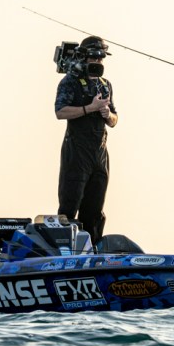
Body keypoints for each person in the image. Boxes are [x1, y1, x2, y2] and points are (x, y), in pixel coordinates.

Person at [55, 35, 118, 243]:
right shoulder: (70, 82)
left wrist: (107, 114)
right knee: (70, 204)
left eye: (101, 59)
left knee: (95, 208)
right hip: (76, 151)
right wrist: (89, 108)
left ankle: (93, 248)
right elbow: (60, 112)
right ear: (84, 58)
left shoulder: (105, 85)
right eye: (94, 58)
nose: (98, 62)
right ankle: (64, 248)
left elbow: (115, 120)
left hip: (100, 153)